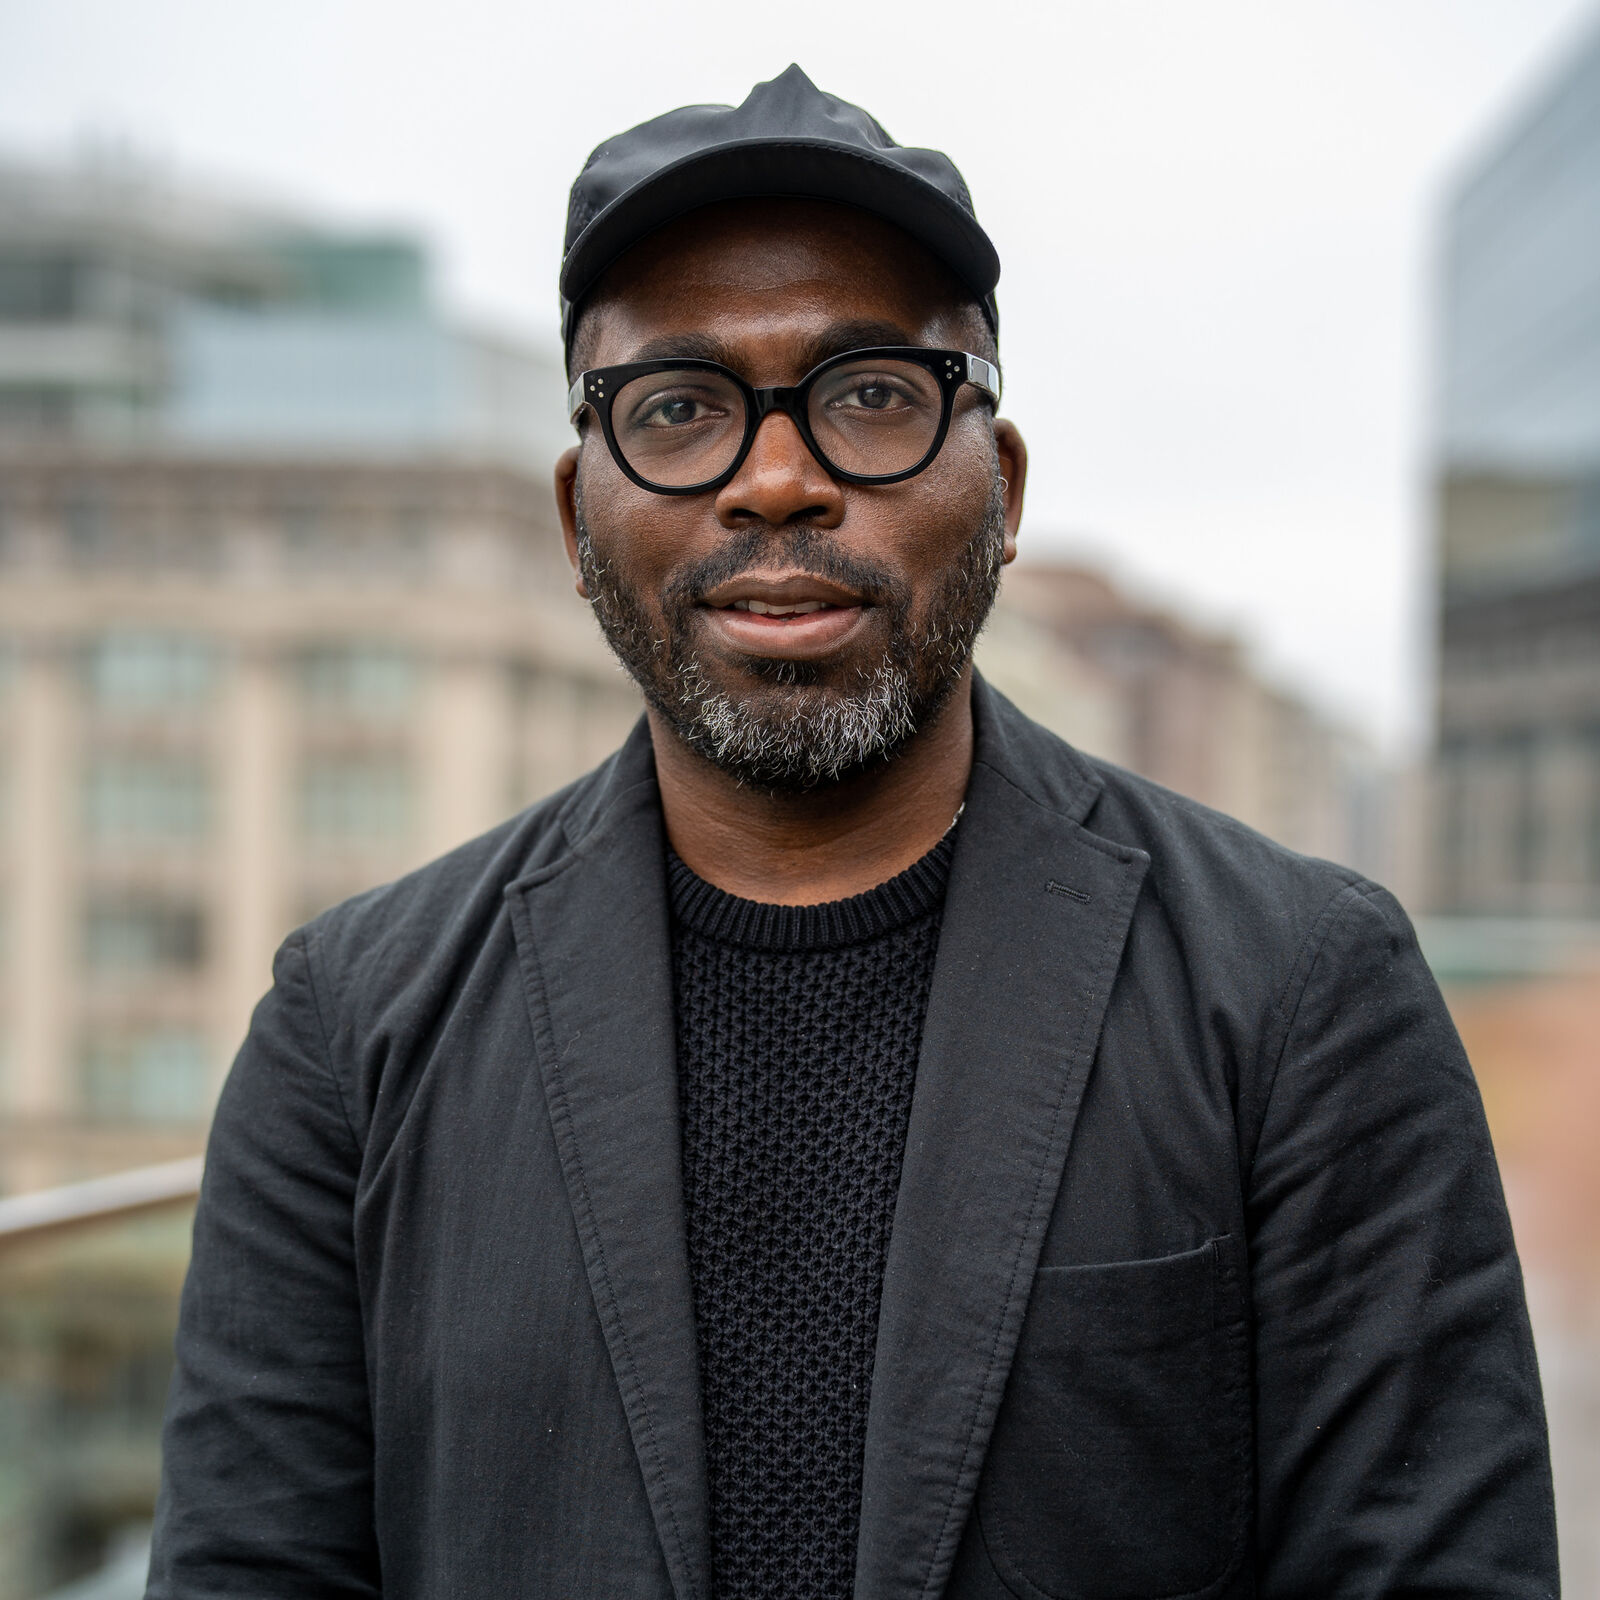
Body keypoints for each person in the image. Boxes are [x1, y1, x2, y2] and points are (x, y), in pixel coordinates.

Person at [147, 65, 1557, 1600]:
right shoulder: (349, 1026)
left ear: (1002, 488)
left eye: (873, 394)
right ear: (574, 517)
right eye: (677, 408)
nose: (777, 479)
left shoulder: (1301, 990)